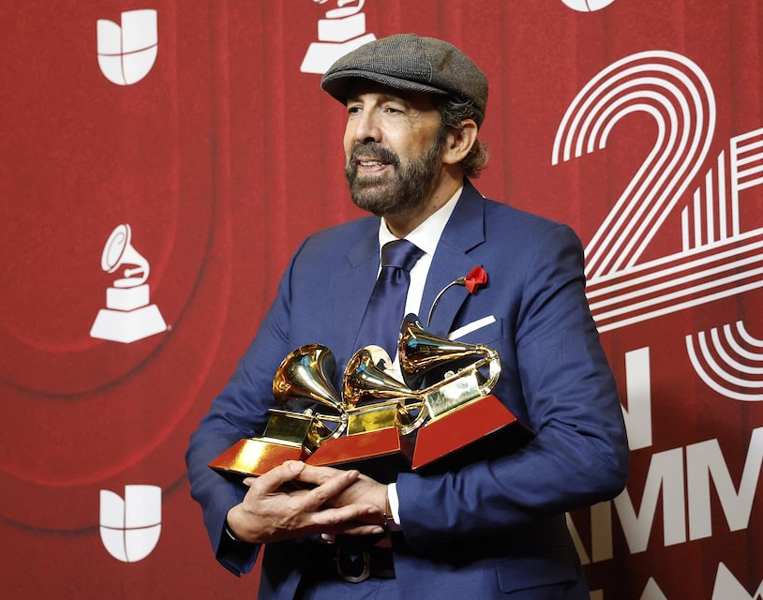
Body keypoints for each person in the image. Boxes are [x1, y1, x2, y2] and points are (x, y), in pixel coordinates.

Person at [186, 33, 630, 600]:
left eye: (391, 109)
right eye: (354, 110)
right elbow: (222, 429)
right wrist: (239, 520)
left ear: (457, 139)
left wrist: (396, 505)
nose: (363, 131)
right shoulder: (315, 263)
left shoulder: (534, 252)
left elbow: (588, 452)